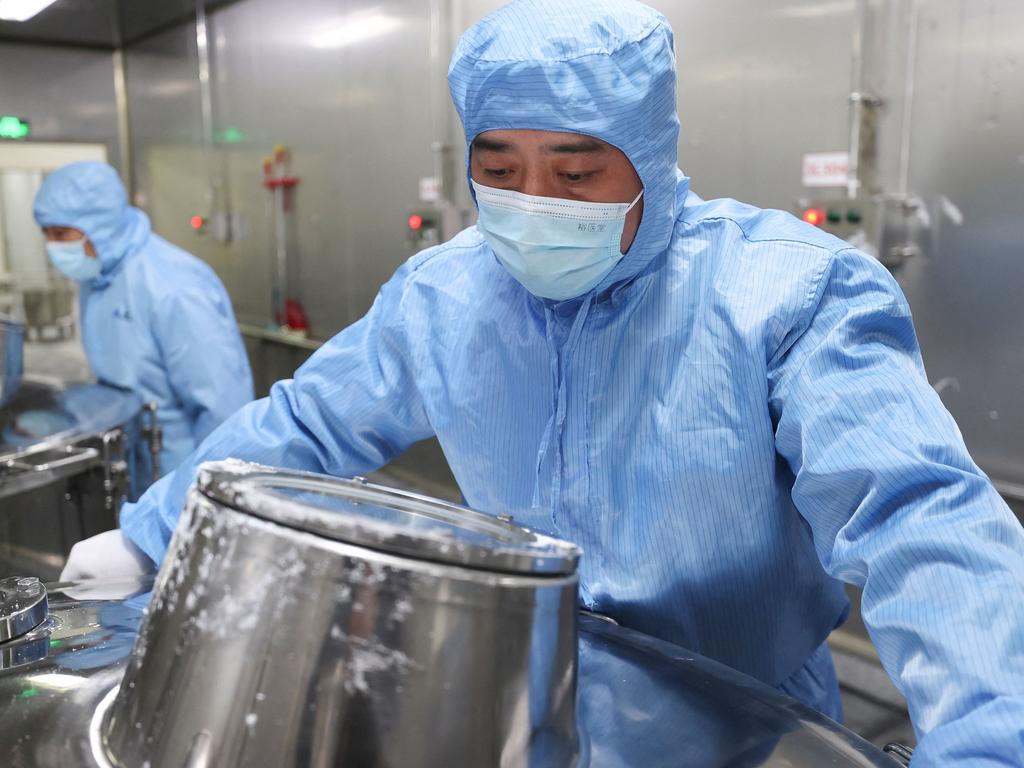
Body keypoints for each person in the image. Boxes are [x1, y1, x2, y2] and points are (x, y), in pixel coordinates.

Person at [63, 1, 1024, 763]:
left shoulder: (782, 291)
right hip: (519, 709)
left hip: (748, 725)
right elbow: (304, 426)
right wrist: (154, 530)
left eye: (574, 173)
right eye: (501, 170)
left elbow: (916, 512)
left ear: (647, 160)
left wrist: (989, 733)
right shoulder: (444, 298)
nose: (533, 205)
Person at [33, 161, 253, 495]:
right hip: (134, 470)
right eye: (46, 235)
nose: (54, 248)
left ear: (99, 224)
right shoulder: (96, 276)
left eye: (61, 234)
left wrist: (203, 495)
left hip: (184, 475)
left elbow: (223, 409)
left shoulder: (174, 285)